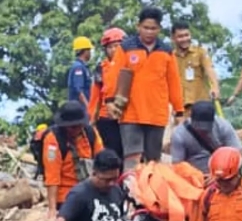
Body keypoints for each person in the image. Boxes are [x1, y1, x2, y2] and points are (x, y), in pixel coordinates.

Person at [109, 5, 185, 169]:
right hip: (131, 113)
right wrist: (110, 100)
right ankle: (130, 193)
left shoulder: (166, 51)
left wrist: (179, 111)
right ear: (138, 27)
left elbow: (174, 82)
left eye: (153, 28)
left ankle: (151, 193)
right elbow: (114, 76)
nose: (149, 32)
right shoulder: (126, 48)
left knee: (153, 161)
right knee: (132, 158)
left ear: (159, 29)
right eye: (146, 28)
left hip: (156, 114)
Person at [42, 101, 103, 218]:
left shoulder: (91, 133)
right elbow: (52, 176)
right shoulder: (53, 140)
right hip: (66, 196)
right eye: (72, 127)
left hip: (90, 191)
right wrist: (52, 209)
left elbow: (102, 160)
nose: (76, 130)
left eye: (79, 126)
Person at [170, 100, 242, 174]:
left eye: (206, 129)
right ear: (191, 119)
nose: (202, 131)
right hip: (194, 175)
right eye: (198, 128)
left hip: (222, 173)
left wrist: (223, 173)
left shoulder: (223, 126)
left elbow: (237, 153)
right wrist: (196, 176)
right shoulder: (180, 134)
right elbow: (177, 165)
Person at [89, 27, 126, 163]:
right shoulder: (101, 68)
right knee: (113, 153)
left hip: (128, 116)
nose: (114, 50)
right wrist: (92, 119)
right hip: (107, 118)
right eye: (110, 47)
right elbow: (95, 96)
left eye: (117, 46)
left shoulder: (132, 65)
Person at [171, 20, 220, 116]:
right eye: (180, 36)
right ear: (173, 38)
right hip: (180, 107)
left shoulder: (200, 52)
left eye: (186, 35)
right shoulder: (170, 57)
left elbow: (210, 70)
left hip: (200, 105)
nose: (184, 39)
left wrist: (215, 87)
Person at [68, 36, 94, 109]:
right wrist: (88, 108)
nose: (91, 52)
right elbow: (79, 90)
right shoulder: (78, 67)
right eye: (89, 49)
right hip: (80, 110)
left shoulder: (84, 67)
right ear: (84, 51)